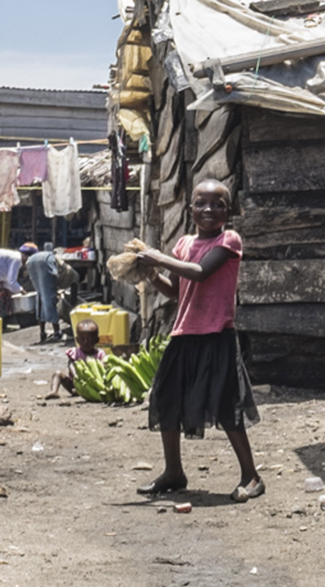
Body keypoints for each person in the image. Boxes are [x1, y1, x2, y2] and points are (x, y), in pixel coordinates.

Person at [134, 178, 264, 501]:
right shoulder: (183, 244)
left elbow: (200, 272)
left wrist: (157, 258)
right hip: (184, 334)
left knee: (225, 406)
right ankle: (174, 471)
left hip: (217, 335)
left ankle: (251, 476)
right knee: (166, 399)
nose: (209, 209)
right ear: (190, 209)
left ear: (228, 210)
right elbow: (177, 290)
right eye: (201, 203)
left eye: (218, 204)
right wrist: (149, 273)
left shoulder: (229, 240)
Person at [43, 319, 108, 399]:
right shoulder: (75, 352)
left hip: (95, 383)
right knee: (58, 374)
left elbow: (104, 366)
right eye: (82, 339)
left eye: (90, 339)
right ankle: (53, 391)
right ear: (77, 340)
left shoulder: (100, 354)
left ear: (97, 340)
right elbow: (71, 364)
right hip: (74, 383)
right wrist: (76, 377)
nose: (86, 342)